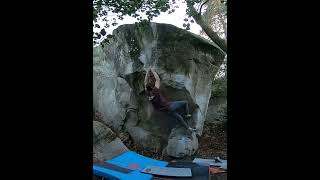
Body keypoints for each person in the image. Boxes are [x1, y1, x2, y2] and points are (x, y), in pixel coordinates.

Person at [144, 67, 196, 132]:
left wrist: (147, 72)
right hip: (169, 106)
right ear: (152, 87)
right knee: (185, 103)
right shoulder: (155, 90)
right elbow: (158, 80)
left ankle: (189, 128)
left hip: (164, 110)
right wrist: (152, 70)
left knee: (179, 118)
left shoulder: (147, 93)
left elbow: (145, 82)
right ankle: (187, 114)